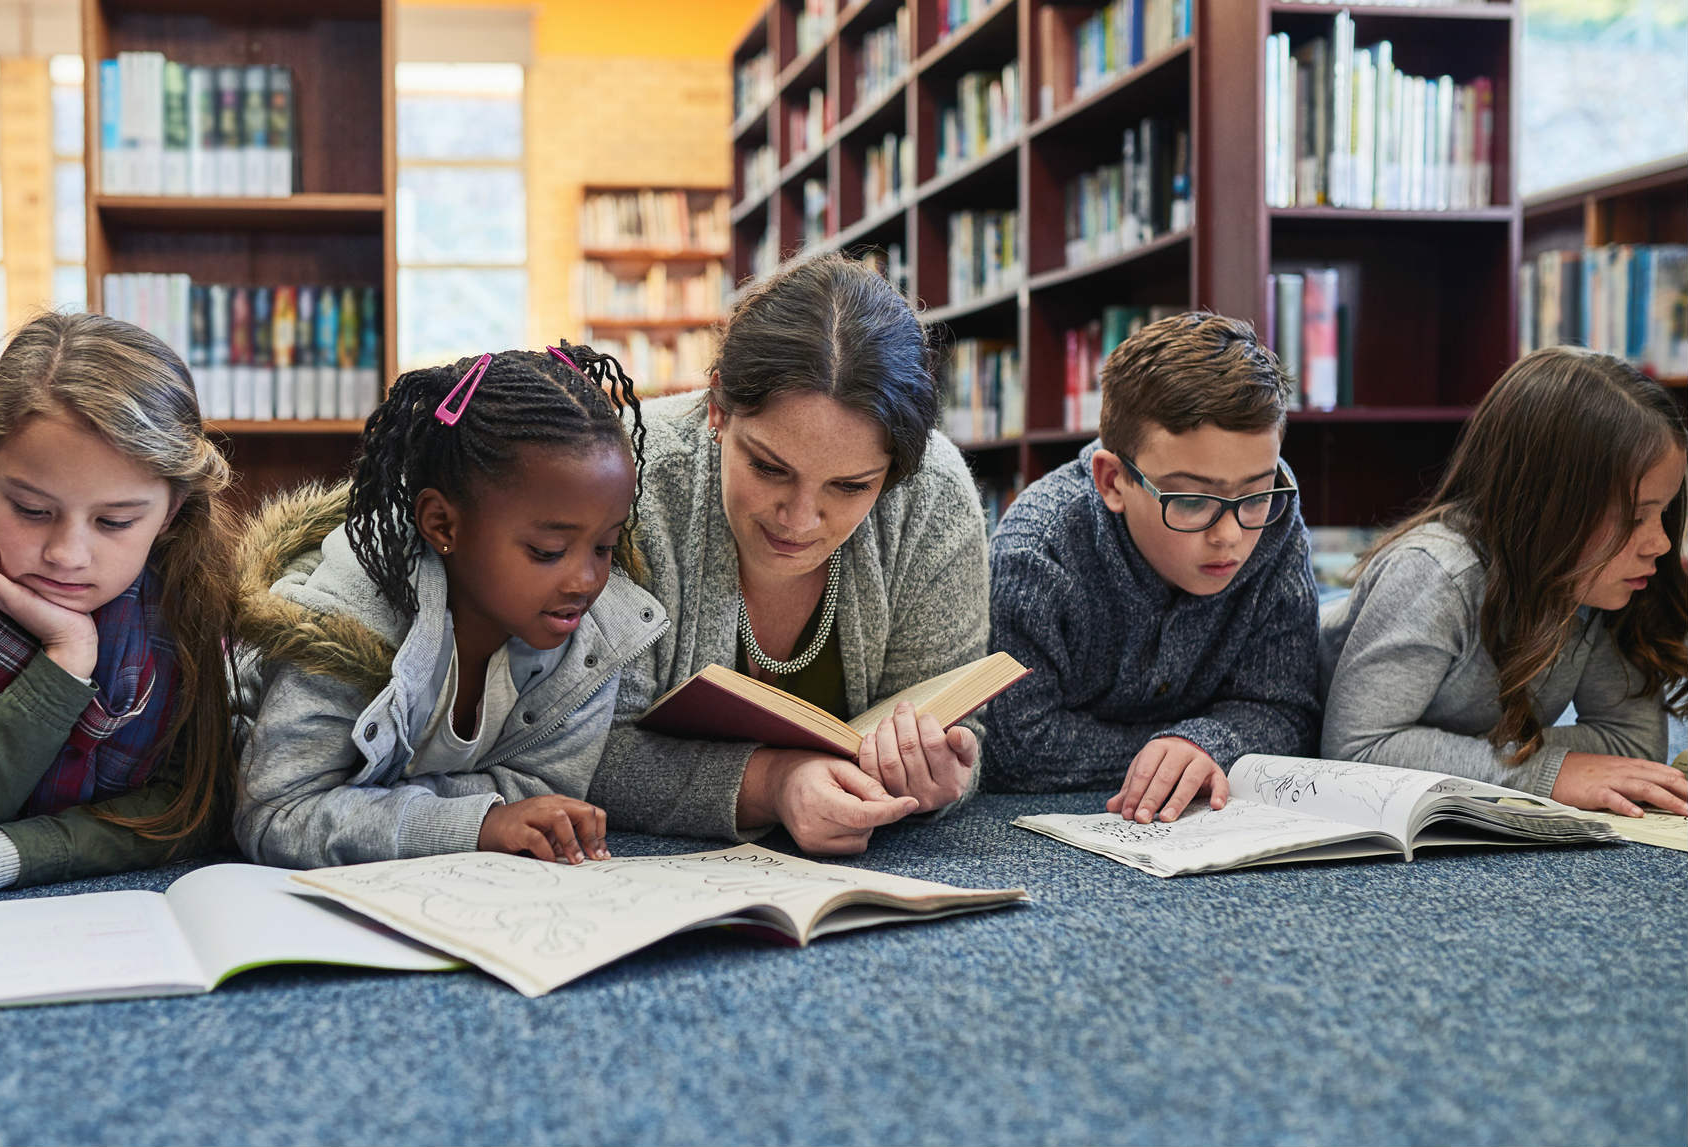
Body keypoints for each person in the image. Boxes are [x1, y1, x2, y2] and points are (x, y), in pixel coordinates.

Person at [588, 254, 991, 855]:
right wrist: (772, 784)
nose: (799, 520)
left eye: (852, 487)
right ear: (718, 408)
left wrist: (943, 773)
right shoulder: (630, 478)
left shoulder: (931, 493)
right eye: (769, 467)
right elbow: (576, 747)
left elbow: (957, 720)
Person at [0, 311, 242, 906]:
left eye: (115, 521)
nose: (66, 555)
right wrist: (65, 660)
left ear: (172, 509)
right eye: (31, 509)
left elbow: (191, 808)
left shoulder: (196, 588)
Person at [234, 343, 664, 868]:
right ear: (442, 525)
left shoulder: (593, 640)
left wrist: (486, 819)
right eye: (547, 551)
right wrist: (477, 823)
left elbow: (538, 791)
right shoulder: (343, 623)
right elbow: (277, 813)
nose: (587, 579)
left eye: (605, 546)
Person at [981, 313, 1320, 823]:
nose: (1229, 534)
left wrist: (1203, 742)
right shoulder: (1038, 551)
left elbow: (1288, 709)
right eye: (1190, 501)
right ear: (1113, 481)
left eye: (1253, 493)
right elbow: (1016, 747)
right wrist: (1172, 751)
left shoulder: (1276, 512)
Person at [1321, 346, 1688, 817]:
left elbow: (1632, 745)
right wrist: (1546, 770)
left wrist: (1455, 755)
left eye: (1665, 511)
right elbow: (1354, 749)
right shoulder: (1435, 573)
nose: (1660, 543)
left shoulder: (1599, 583)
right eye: (1636, 517)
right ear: (1547, 505)